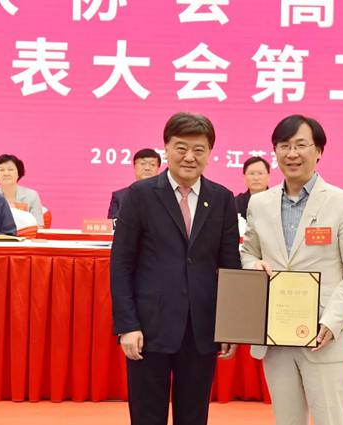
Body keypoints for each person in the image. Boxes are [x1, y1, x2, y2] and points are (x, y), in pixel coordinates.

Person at [110, 113, 241, 425]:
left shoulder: (221, 198)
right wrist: (127, 325)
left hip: (201, 330)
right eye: (181, 148)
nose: (190, 157)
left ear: (209, 153)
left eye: (199, 149)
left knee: (194, 417)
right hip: (148, 329)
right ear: (166, 149)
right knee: (147, 417)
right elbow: (121, 263)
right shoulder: (140, 195)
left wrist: (230, 326)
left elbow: (229, 265)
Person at [240, 115, 343, 425]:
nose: (292, 154)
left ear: (319, 151)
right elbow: (249, 251)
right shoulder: (260, 203)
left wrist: (332, 322)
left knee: (330, 420)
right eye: (284, 146)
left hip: (323, 336)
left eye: (301, 145)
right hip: (276, 334)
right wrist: (252, 265)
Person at [0, 154, 44, 227]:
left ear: (18, 173)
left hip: (27, 234)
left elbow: (39, 226)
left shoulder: (31, 195)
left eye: (10, 169)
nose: (6, 173)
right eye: (1, 170)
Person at [107, 148, 161, 219]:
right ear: (134, 166)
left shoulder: (167, 194)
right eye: (143, 164)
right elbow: (113, 223)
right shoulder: (120, 196)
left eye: (152, 164)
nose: (147, 168)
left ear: (158, 168)